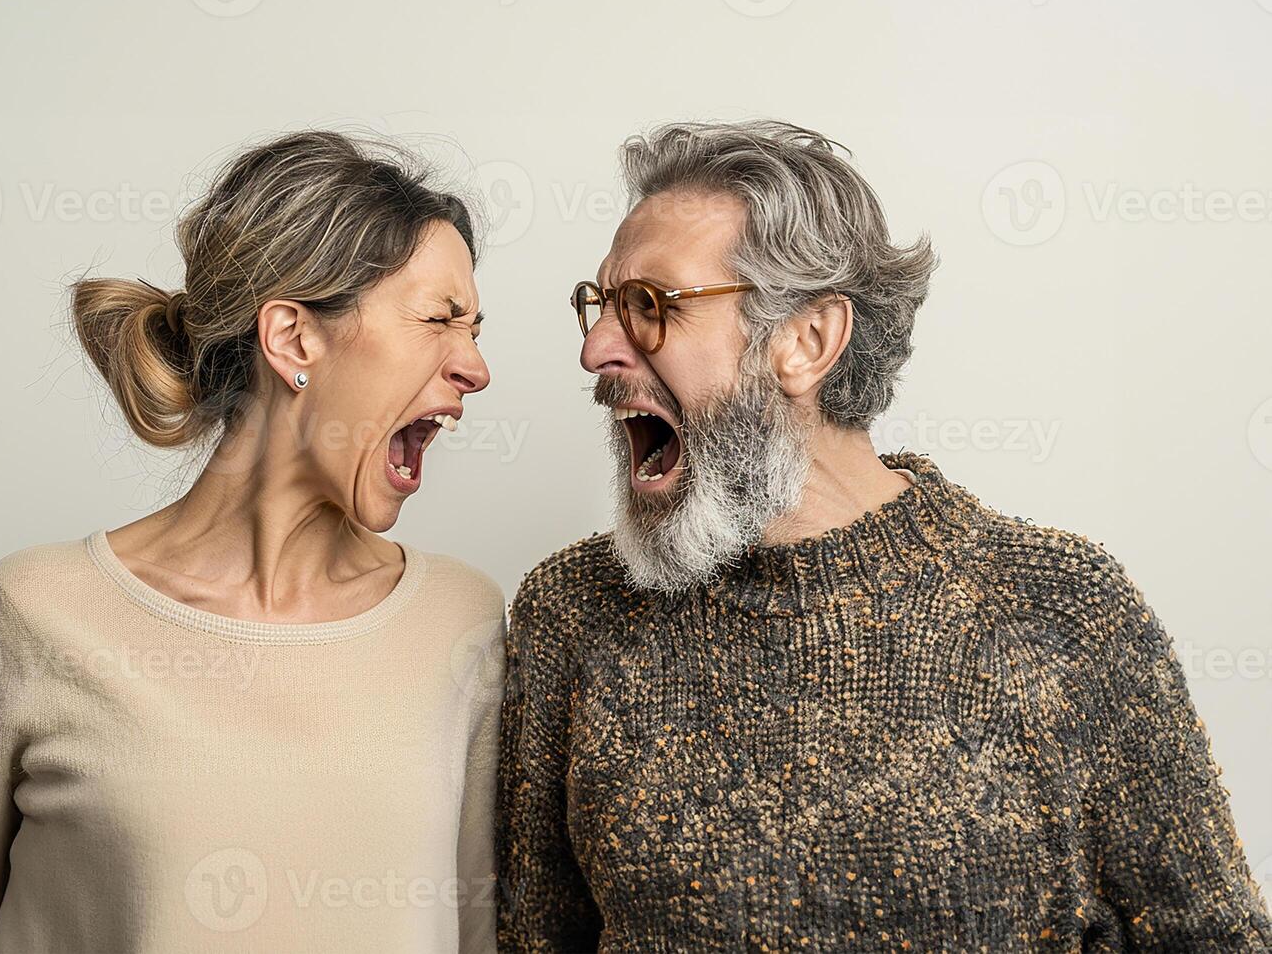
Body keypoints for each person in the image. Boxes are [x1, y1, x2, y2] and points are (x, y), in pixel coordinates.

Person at [496, 120, 1271, 951]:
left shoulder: (1060, 607)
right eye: (602, 303)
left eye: (650, 305)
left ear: (807, 341)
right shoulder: (572, 612)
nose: (595, 350)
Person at [0, 131, 505, 952]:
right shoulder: (34, 615)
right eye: (438, 320)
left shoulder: (463, 620)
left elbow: (479, 935)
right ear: (293, 338)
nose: (477, 368)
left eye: (477, 328)